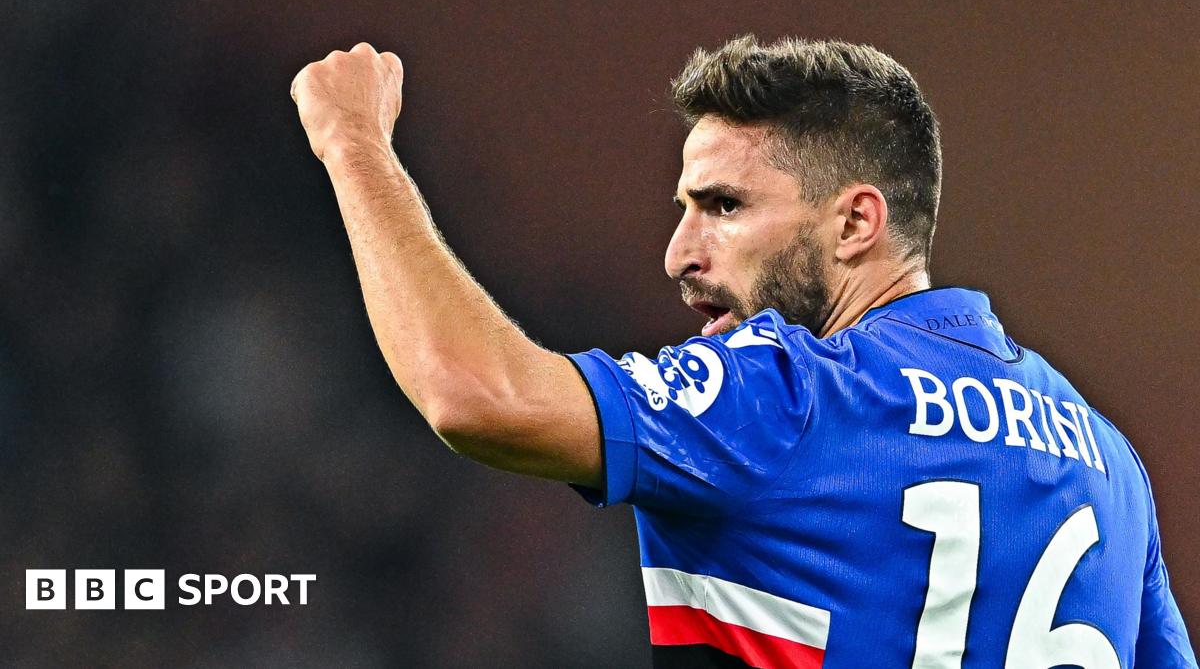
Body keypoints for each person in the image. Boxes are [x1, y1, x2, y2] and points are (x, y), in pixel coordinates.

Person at [290, 36, 1196, 668]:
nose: (678, 253)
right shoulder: (1109, 462)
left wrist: (353, 142)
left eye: (724, 207)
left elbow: (473, 393)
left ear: (856, 223)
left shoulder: (792, 393)